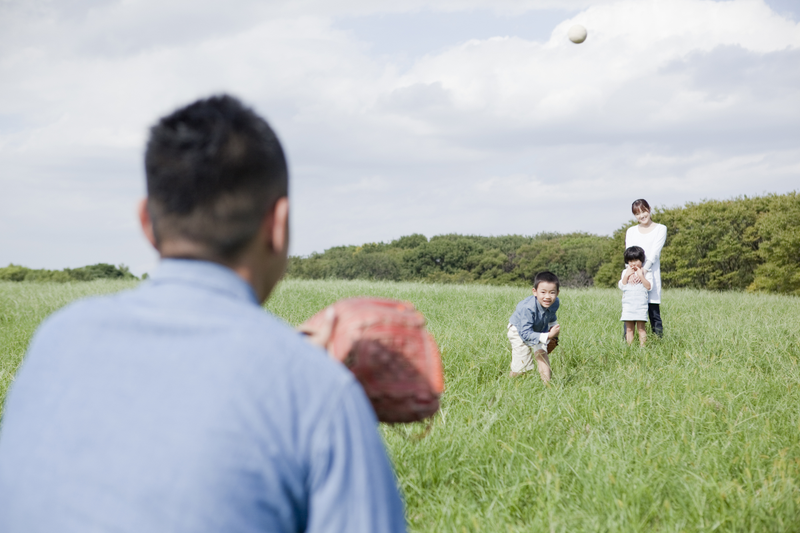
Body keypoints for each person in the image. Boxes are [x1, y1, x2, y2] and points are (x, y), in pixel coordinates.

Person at [0, 95, 407, 533]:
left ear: (146, 223)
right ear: (279, 223)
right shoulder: (321, 393)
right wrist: (312, 377)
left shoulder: (57, 338)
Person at [507, 271, 561, 383]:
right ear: (534, 292)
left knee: (541, 354)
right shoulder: (527, 308)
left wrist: (553, 334)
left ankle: (547, 386)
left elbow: (551, 316)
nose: (547, 297)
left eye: (552, 292)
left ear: (557, 292)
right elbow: (525, 334)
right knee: (521, 369)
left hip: (540, 328)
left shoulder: (555, 302)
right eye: (543, 292)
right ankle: (509, 383)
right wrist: (548, 335)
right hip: (519, 330)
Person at [624, 198, 667, 337]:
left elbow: (654, 253)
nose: (641, 216)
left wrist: (643, 271)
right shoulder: (631, 231)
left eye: (644, 211)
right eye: (637, 214)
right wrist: (630, 273)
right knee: (630, 313)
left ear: (649, 209)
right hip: (632, 277)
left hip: (650, 274)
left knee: (654, 313)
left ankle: (659, 343)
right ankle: (628, 345)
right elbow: (628, 254)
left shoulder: (661, 229)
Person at [619, 246, 653, 346]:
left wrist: (641, 276)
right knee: (629, 328)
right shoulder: (625, 272)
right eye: (630, 261)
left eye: (636, 260)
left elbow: (649, 286)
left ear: (642, 260)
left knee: (641, 328)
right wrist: (626, 276)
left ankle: (643, 348)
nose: (633, 263)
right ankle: (630, 348)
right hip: (628, 304)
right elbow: (621, 286)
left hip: (640, 304)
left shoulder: (646, 272)